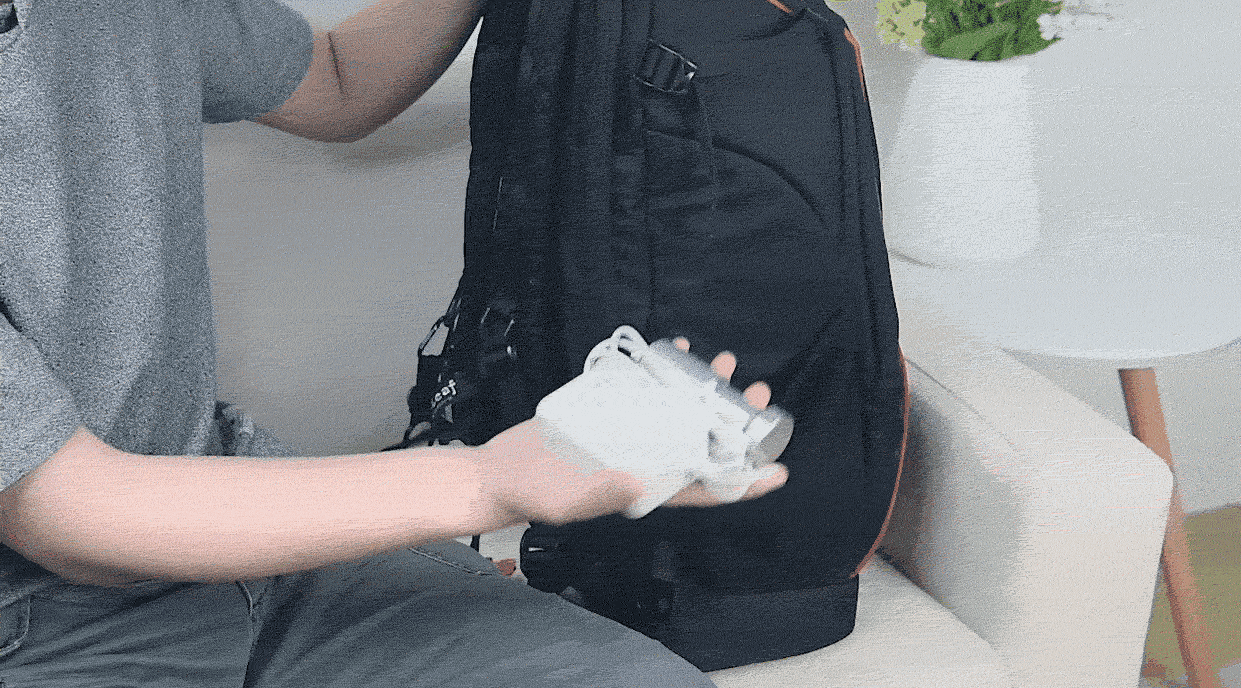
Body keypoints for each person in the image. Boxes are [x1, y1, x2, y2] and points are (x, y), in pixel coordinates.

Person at [0, 0, 787, 685]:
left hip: (253, 534)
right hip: (41, 628)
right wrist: (492, 480)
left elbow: (338, 80)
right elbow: (72, 512)